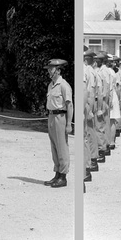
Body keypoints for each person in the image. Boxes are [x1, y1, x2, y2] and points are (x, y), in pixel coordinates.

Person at [43, 59, 72, 188]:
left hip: (61, 116)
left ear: (58, 70)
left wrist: (69, 124)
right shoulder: (51, 85)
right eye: (49, 68)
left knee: (62, 147)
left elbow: (69, 105)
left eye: (52, 68)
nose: (49, 71)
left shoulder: (64, 85)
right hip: (51, 116)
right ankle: (57, 173)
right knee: (54, 146)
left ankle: (63, 176)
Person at [82, 50, 98, 182]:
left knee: (87, 135)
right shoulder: (88, 70)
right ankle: (89, 163)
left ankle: (89, 164)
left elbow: (91, 92)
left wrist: (90, 109)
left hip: (87, 105)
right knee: (87, 135)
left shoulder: (87, 70)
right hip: (87, 104)